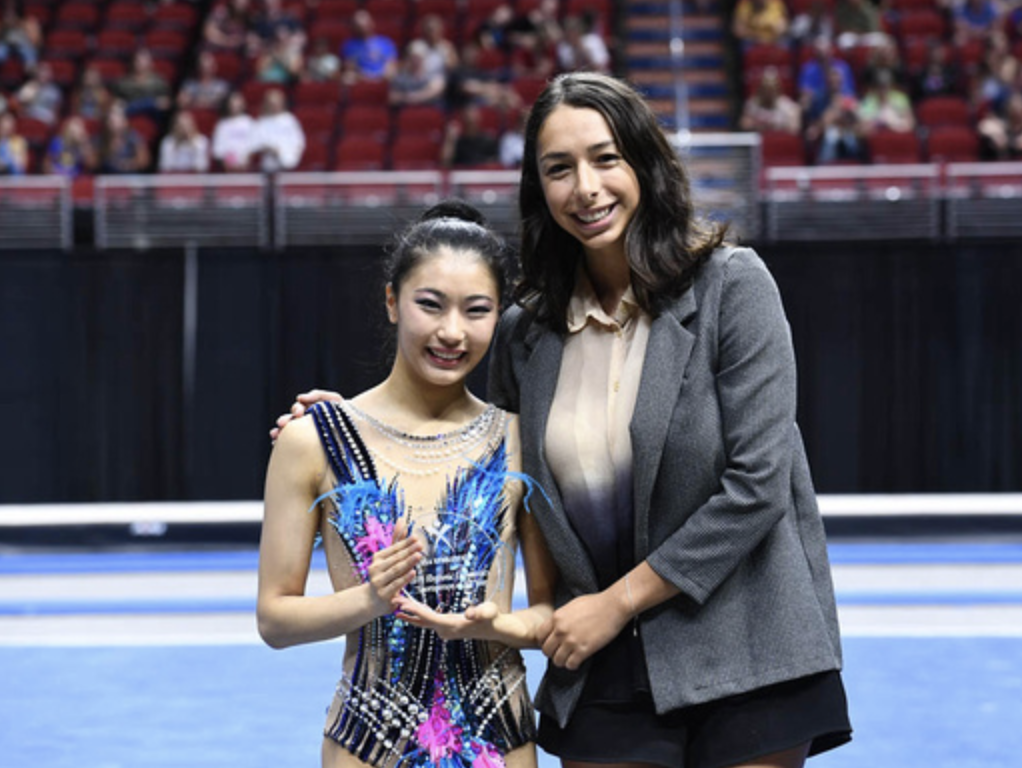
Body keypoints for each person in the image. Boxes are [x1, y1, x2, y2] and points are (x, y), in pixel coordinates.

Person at [277, 72, 851, 768]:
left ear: (645, 163)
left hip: (745, 646)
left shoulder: (734, 285)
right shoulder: (524, 333)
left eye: (606, 159)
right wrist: (345, 427)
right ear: (539, 188)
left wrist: (616, 603)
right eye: (559, 169)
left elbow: (758, 486)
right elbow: (478, 439)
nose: (585, 188)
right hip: (602, 660)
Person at [258, 200, 556, 768]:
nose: (451, 332)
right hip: (368, 742)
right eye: (430, 305)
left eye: (476, 310)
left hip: (498, 737)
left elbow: (551, 613)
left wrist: (502, 625)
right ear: (392, 301)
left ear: (500, 315)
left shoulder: (520, 439)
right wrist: (369, 601)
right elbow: (274, 620)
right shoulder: (313, 440)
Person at [251, 87, 304, 171]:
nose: (275, 106)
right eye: (272, 104)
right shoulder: (262, 122)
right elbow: (255, 144)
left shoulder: (289, 119)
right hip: (268, 165)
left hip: (289, 161)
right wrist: (269, 148)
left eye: (277, 103)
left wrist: (287, 153)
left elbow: (299, 141)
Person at [211, 91, 256, 171]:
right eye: (232, 104)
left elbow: (254, 145)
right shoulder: (222, 124)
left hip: (246, 165)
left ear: (243, 105)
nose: (234, 106)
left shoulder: (249, 122)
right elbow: (217, 149)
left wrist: (246, 162)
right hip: (227, 166)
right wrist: (227, 163)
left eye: (237, 103)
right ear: (228, 105)